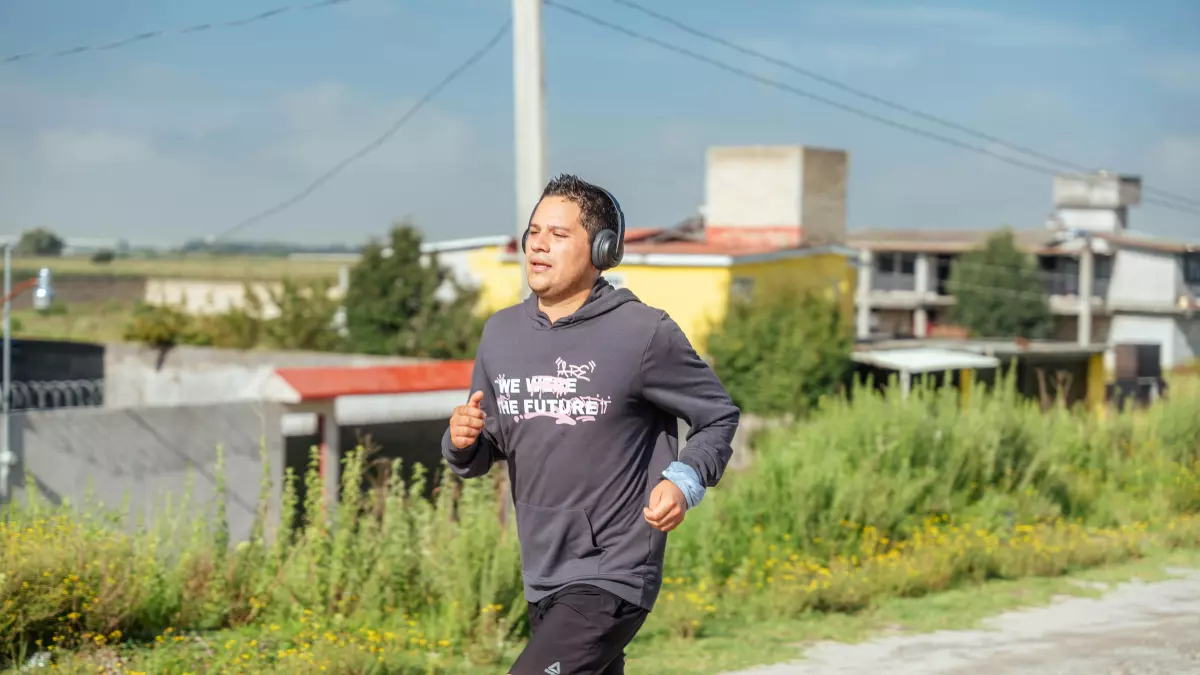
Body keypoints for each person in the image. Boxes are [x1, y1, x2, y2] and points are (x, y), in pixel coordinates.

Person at [442, 174, 740, 675]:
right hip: (542, 569)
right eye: (534, 232)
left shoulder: (644, 333)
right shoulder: (501, 333)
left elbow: (717, 416)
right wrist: (462, 440)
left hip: (614, 570)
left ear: (602, 249)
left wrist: (684, 481)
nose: (539, 245)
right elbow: (488, 445)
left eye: (558, 235)